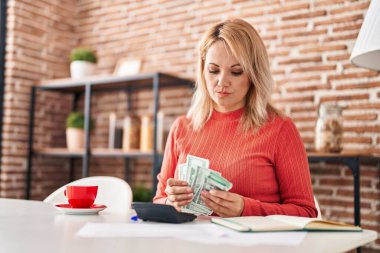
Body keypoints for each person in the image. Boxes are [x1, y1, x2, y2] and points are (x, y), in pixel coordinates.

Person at [153, 18, 317, 218]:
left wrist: (245, 209)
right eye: (213, 70)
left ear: (254, 75)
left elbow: (306, 212)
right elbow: (159, 200)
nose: (222, 82)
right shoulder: (181, 127)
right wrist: (171, 201)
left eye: (236, 72)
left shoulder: (280, 129)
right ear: (203, 70)